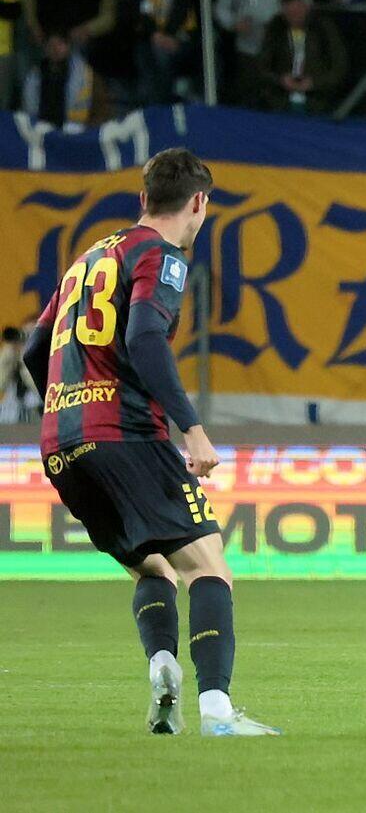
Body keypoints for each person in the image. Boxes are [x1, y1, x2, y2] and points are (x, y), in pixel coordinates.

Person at [21, 148, 279, 737]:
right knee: (209, 567)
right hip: (124, 433)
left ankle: (163, 665)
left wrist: (69, 411)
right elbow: (144, 337)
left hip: (62, 442)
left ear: (143, 199)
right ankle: (217, 710)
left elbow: (37, 350)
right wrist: (192, 427)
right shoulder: (161, 256)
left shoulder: (88, 258)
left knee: (153, 568)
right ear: (199, 203)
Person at [257, 0, 347, 114]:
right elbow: (262, 66)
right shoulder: (275, 28)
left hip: (320, 98)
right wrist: (280, 80)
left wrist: (314, 83)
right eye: (290, 15)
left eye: (298, 12)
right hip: (281, 99)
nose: (295, 18)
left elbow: (339, 66)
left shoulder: (324, 28)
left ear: (306, 7)